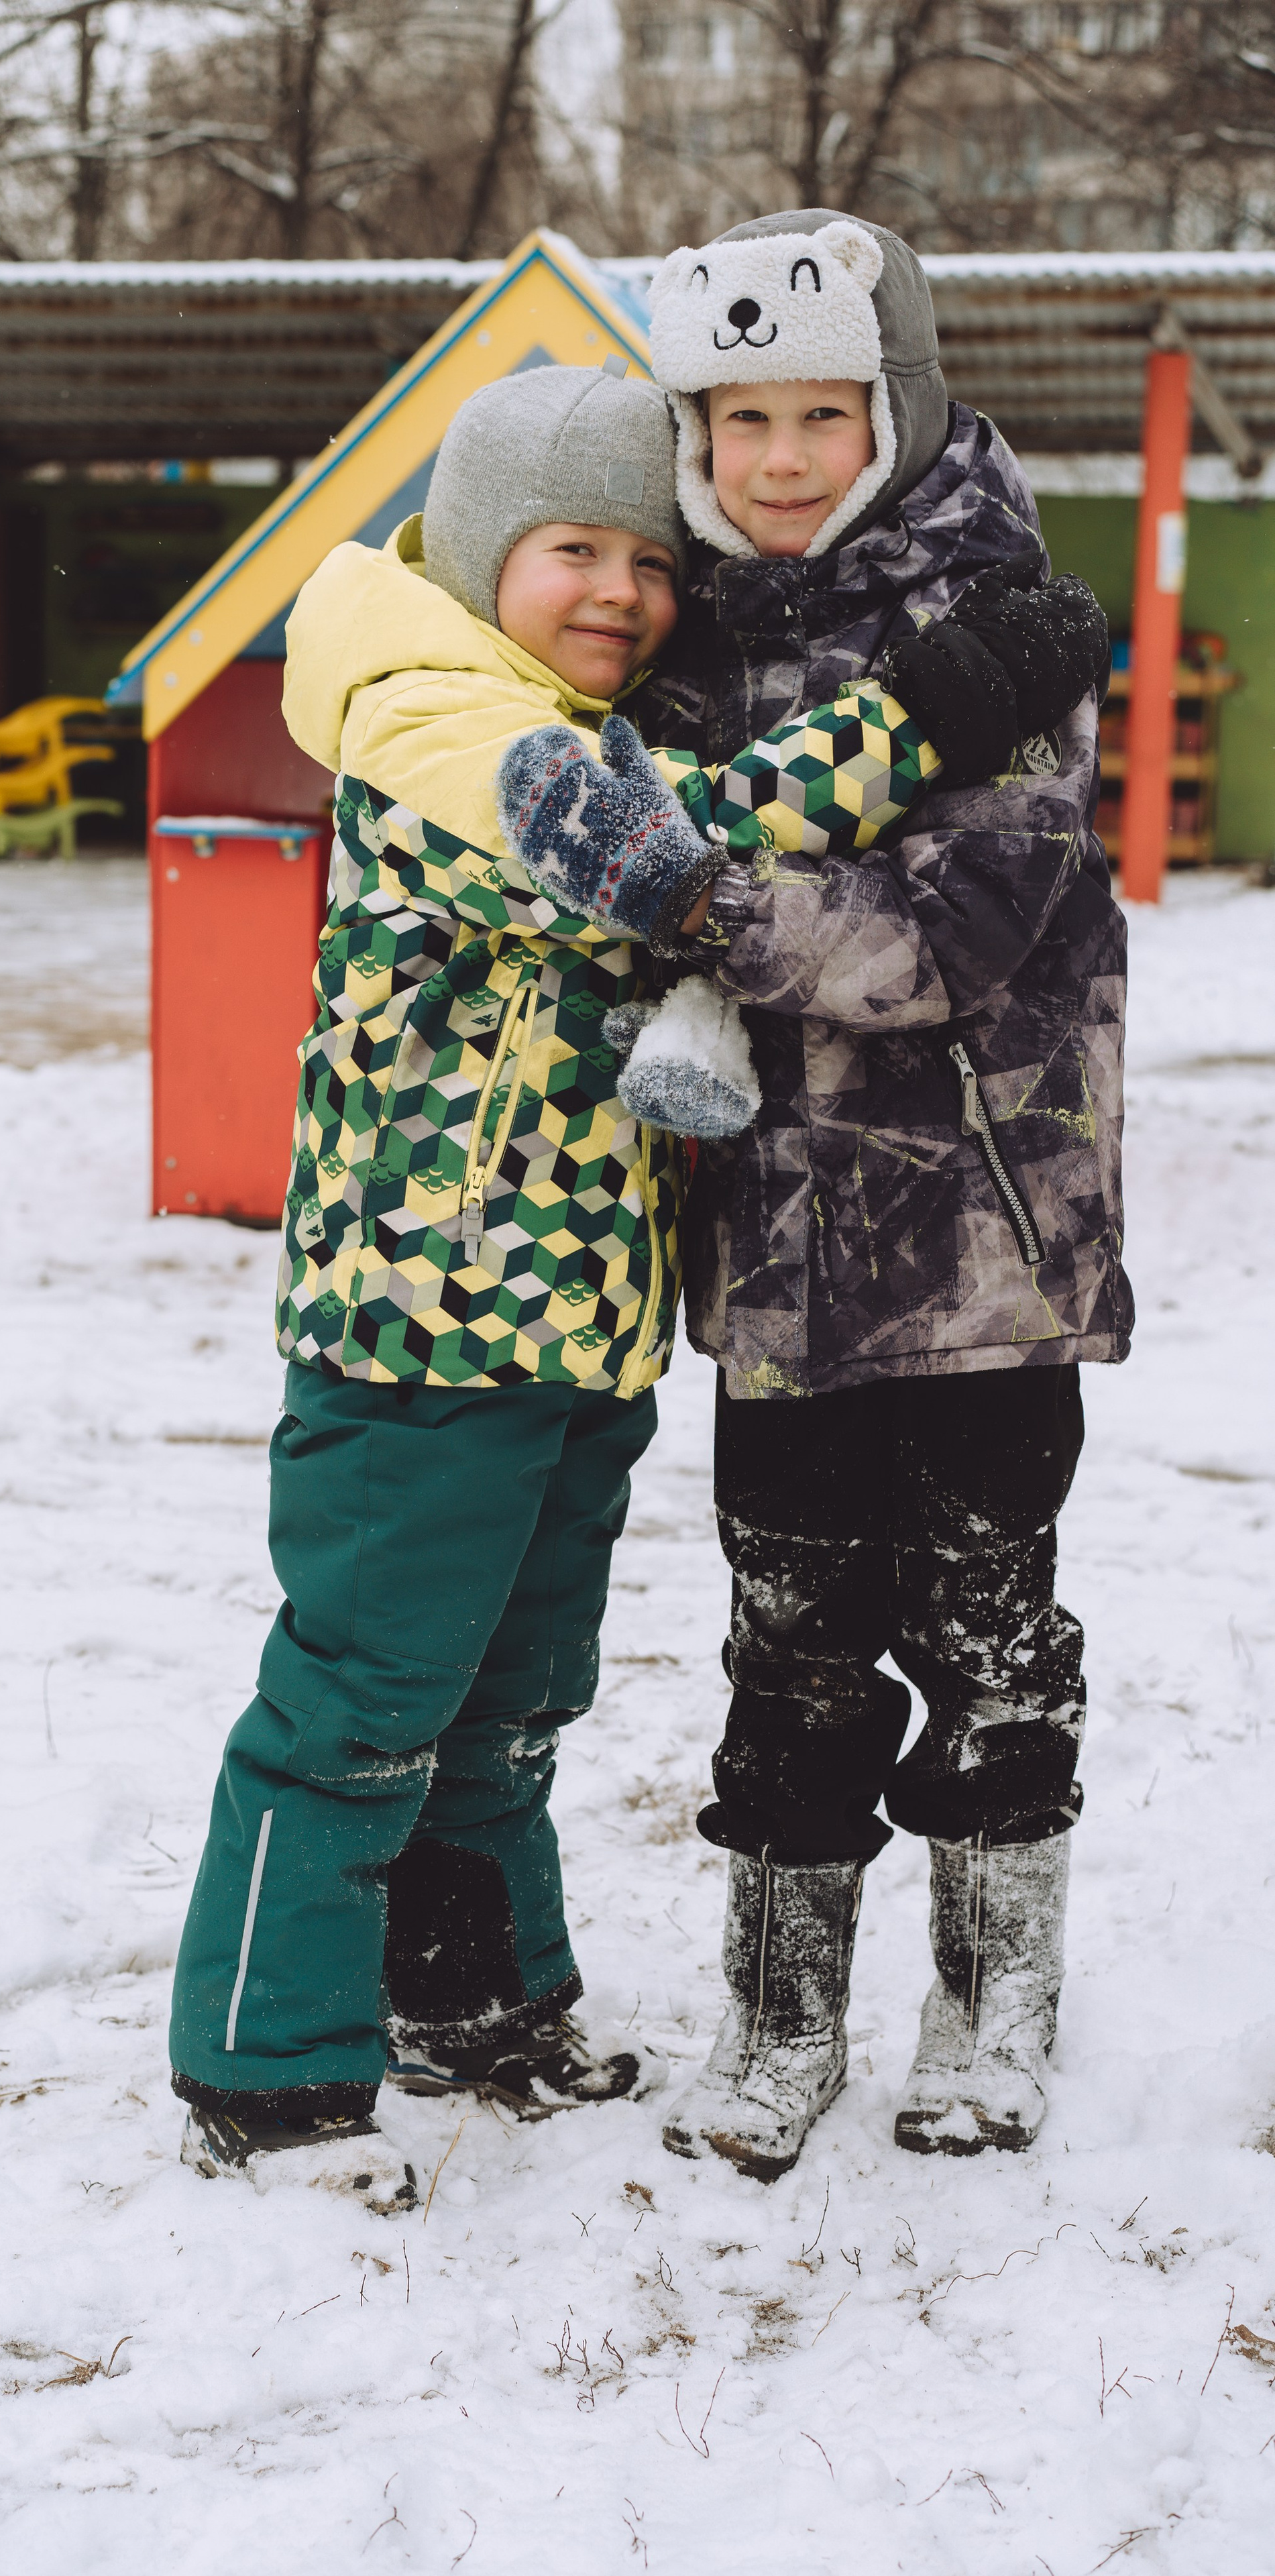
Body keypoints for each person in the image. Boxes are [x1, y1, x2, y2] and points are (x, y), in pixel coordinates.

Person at [168, 351, 1109, 2217]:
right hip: (424, 1329)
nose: (621, 590)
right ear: (476, 552)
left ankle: (479, 1999)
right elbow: (692, 842)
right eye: (571, 550)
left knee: (511, 1700)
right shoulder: (450, 724)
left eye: (644, 559)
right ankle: (265, 2076)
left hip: (567, 1334)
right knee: (361, 1699)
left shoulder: (541, 697)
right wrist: (923, 708)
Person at [498, 213, 1129, 2182]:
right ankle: (779, 2014)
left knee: (990, 1627)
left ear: (896, 404)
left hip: (985, 1250)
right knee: (787, 1642)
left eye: (821, 412)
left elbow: (943, 944)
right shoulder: (681, 638)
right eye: (740, 416)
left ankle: (995, 1992)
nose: (778, 457)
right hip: (772, 1262)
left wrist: (691, 895)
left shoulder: (1000, 633)